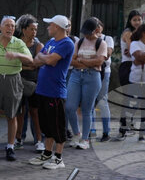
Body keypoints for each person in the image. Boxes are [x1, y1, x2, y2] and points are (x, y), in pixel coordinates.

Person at [28, 15, 75, 170]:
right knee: (46, 125)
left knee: (57, 126)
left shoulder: (67, 43)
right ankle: (47, 153)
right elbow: (37, 60)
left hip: (55, 92)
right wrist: (44, 56)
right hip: (43, 89)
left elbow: (49, 61)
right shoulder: (50, 43)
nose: (47, 27)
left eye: (50, 25)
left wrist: (43, 56)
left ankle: (58, 158)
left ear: (57, 27)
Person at [0, 16, 32, 161]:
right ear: (0, 27)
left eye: (13, 26)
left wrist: (17, 55)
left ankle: (10, 146)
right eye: (7, 25)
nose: (10, 28)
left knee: (12, 115)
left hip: (13, 79)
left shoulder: (18, 43)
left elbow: (30, 60)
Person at [64, 18, 109, 149]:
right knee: (69, 107)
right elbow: (72, 61)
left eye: (88, 33)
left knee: (86, 109)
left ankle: (85, 139)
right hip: (77, 75)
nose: (86, 35)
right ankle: (76, 133)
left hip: (92, 77)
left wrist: (81, 60)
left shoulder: (101, 43)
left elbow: (99, 62)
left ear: (96, 30)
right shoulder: (80, 41)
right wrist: (89, 61)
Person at [15, 15, 44, 151]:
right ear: (24, 29)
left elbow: (36, 64)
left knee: (35, 112)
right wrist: (27, 65)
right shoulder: (15, 43)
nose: (34, 32)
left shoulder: (38, 45)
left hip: (34, 82)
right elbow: (15, 62)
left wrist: (23, 64)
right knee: (20, 111)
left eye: (36, 29)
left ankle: (39, 139)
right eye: (31, 29)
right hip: (18, 81)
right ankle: (18, 138)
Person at [117, 11, 142, 137]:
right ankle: (123, 126)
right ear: (130, 21)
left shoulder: (140, 34)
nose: (137, 22)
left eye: (139, 19)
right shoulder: (128, 32)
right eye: (134, 20)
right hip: (127, 67)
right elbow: (133, 49)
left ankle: (129, 121)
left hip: (137, 66)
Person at [92, 20, 116, 142]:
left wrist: (92, 56)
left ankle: (106, 132)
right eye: (93, 26)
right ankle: (91, 130)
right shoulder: (86, 39)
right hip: (91, 71)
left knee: (102, 101)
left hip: (104, 72)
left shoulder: (108, 38)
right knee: (90, 102)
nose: (97, 28)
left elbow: (107, 54)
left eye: (98, 26)